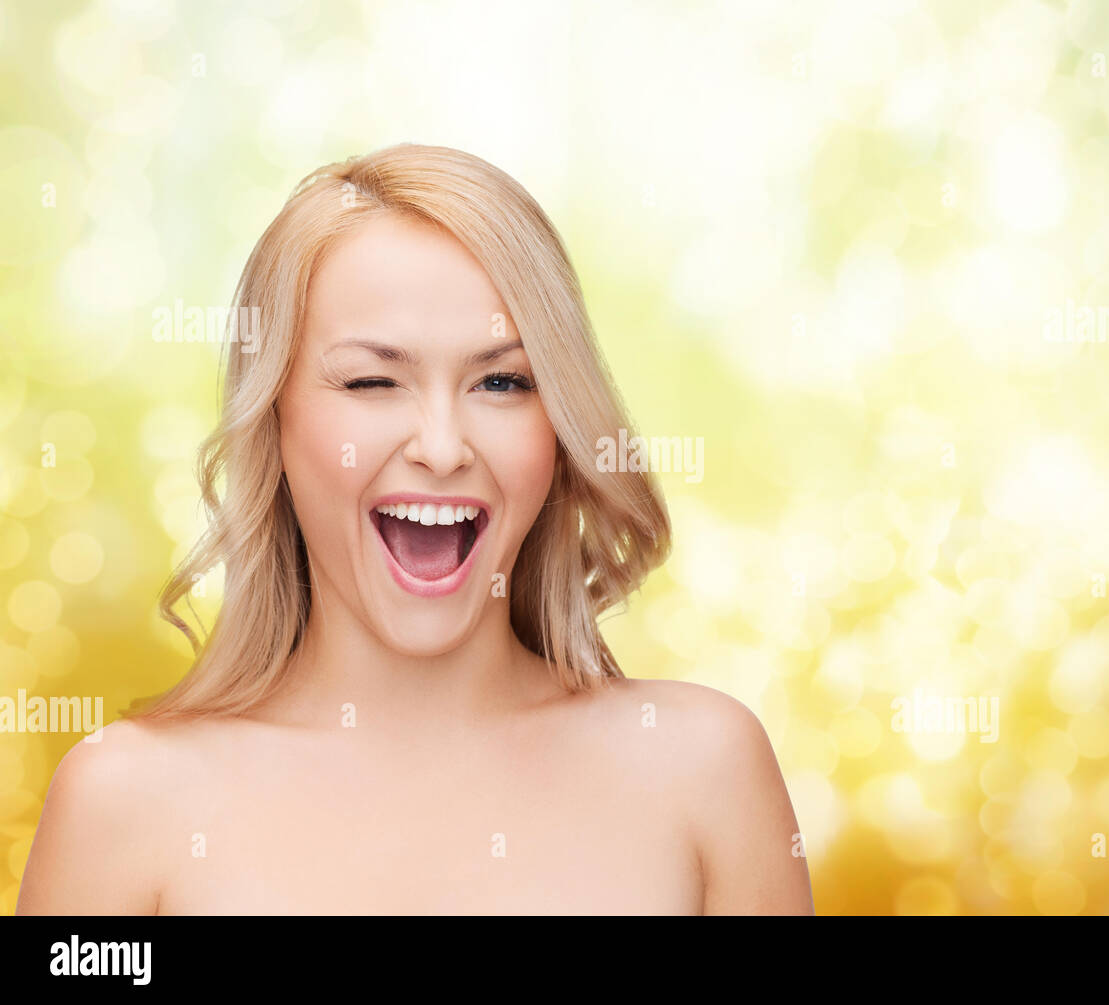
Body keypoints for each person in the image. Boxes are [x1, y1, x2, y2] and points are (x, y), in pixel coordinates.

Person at [17, 144, 814, 915]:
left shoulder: (706, 772)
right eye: (372, 379)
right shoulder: (122, 801)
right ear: (275, 423)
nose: (441, 447)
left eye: (502, 381)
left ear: (562, 429)